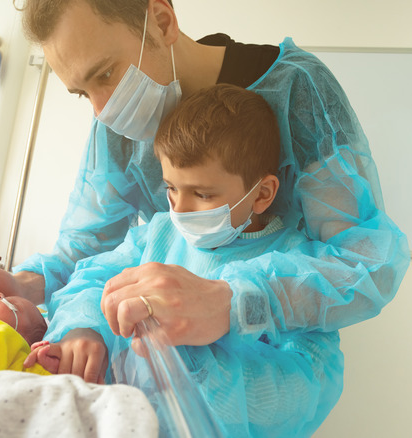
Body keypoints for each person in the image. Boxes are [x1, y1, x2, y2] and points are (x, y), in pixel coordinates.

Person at [0, 0, 409, 385]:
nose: (102, 109)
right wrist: (24, 283)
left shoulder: (295, 92)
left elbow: (365, 260)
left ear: (160, 19)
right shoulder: (116, 127)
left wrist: (234, 301)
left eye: (106, 73)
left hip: (263, 367)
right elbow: (88, 248)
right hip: (152, 364)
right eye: (83, 93)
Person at [23, 83, 350, 437]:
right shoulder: (160, 233)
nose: (179, 208)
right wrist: (83, 331)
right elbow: (94, 278)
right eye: (171, 188)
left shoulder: (292, 265)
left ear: (262, 194)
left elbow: (308, 381)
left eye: (203, 193)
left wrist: (198, 368)